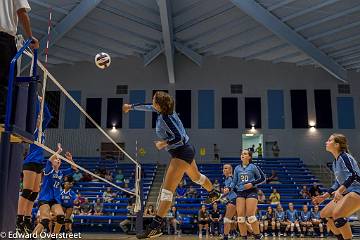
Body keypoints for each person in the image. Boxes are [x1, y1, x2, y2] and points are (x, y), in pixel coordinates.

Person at [123, 91, 221, 238]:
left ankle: (155, 227)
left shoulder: (165, 118)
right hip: (186, 150)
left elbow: (179, 137)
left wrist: (164, 143)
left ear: (159, 104)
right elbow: (149, 107)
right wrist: (131, 107)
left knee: (167, 191)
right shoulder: (165, 111)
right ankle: (213, 192)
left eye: (154, 99)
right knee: (196, 178)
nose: (152, 101)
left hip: (181, 152)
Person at [313, 133, 360, 240]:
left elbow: (353, 175)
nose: (326, 142)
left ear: (337, 145)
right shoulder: (335, 162)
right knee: (324, 215)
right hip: (346, 193)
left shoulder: (345, 157)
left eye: (329, 140)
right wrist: (324, 196)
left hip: (357, 191)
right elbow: (338, 183)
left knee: (337, 215)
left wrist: (340, 190)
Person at [0, 0, 39, 123]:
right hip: (3, 40)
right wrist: (30, 37)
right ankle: (2, 122)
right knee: (7, 81)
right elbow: (22, 12)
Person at [16, 99, 52, 233]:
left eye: (39, 118)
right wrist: (37, 101)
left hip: (38, 163)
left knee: (34, 193)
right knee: (27, 191)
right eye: (37, 117)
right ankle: (19, 220)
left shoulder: (42, 130)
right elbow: (36, 112)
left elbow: (48, 116)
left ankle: (26, 218)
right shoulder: (33, 129)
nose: (39, 118)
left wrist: (44, 103)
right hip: (30, 162)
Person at [32, 145, 77, 235]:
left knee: (61, 217)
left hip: (55, 200)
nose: (58, 160)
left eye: (59, 159)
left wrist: (70, 159)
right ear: (53, 162)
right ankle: (32, 236)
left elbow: (74, 168)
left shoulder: (61, 172)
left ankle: (54, 237)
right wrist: (59, 151)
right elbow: (49, 160)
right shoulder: (48, 170)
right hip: (45, 198)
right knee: (45, 220)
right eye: (56, 159)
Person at [224, 149, 266, 240]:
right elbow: (234, 181)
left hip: (251, 191)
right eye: (242, 154)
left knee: (250, 216)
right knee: (240, 218)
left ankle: (258, 236)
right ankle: (244, 237)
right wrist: (229, 188)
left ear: (249, 157)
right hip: (240, 192)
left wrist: (252, 184)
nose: (242, 155)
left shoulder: (253, 167)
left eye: (245, 154)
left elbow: (262, 178)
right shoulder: (237, 168)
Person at [222, 164, 237, 240]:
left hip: (235, 200)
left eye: (226, 168)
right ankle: (256, 234)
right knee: (242, 220)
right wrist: (223, 197)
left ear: (230, 170)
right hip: (232, 201)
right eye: (223, 168)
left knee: (227, 219)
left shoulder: (231, 178)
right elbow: (227, 193)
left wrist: (224, 192)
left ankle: (225, 237)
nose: (224, 170)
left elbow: (230, 189)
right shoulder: (227, 179)